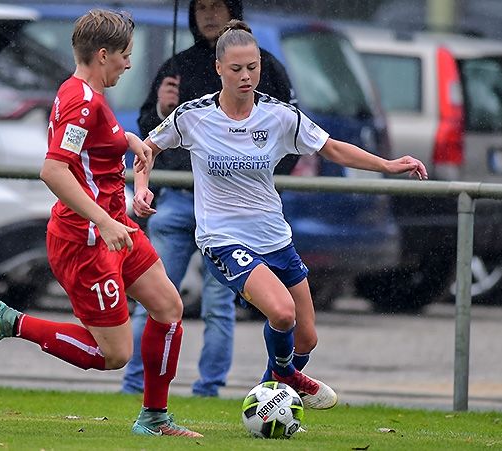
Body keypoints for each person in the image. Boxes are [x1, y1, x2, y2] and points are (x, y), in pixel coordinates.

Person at [133, 20, 428, 409]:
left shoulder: (278, 115)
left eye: (252, 67)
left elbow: (332, 148)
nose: (246, 76)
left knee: (306, 338)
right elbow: (147, 148)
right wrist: (140, 188)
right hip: (223, 239)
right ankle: (287, 376)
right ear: (218, 68)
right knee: (282, 313)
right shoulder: (195, 115)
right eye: (236, 69)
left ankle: (267, 399)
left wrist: (389, 165)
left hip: (274, 238)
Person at [0, 10, 202, 438]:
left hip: (113, 229)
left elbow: (94, 145)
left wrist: (127, 141)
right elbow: (54, 170)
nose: (128, 63)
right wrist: (104, 221)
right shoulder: (81, 100)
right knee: (113, 355)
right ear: (102, 54)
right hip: (87, 240)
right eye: (124, 56)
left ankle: (154, 419)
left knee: (168, 307)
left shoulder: (87, 91)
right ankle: (12, 322)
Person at [122, 0, 299, 398]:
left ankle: (209, 388)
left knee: (221, 307)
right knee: (154, 300)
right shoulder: (177, 66)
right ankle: (134, 385)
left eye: (216, 5)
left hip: (236, 219)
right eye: (200, 7)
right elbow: (149, 134)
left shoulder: (265, 66)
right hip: (178, 201)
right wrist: (160, 108)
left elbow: (289, 132)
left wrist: (270, 186)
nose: (208, 14)